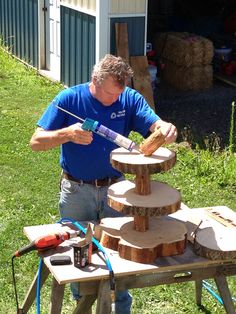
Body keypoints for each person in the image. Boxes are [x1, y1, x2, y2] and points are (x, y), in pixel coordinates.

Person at [30, 54, 177, 313]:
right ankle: (83, 304)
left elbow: (152, 122)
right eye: (110, 94)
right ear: (94, 82)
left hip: (116, 190)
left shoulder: (128, 98)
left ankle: (121, 307)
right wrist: (67, 134)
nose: (116, 100)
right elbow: (36, 142)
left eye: (119, 93)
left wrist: (163, 127)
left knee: (120, 258)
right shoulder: (69, 99)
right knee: (79, 256)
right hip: (76, 191)